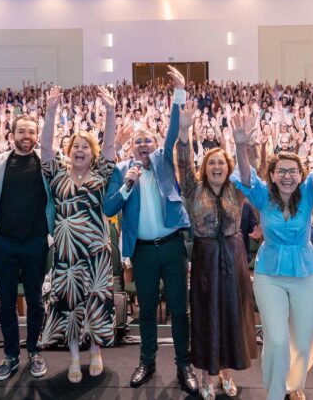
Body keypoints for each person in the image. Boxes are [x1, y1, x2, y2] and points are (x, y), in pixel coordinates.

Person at [103, 67, 197, 394]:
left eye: (148, 140)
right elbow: (109, 208)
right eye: (138, 141)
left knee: (179, 308)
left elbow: (173, 130)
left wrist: (180, 92)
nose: (143, 144)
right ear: (131, 147)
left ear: (156, 146)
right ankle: (147, 361)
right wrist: (127, 186)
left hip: (171, 247)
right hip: (142, 251)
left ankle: (184, 364)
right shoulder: (120, 171)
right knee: (145, 310)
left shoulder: (163, 160)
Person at [232, 112, 313, 400]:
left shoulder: (308, 194)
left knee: (303, 341)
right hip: (269, 274)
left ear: (300, 175)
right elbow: (246, 177)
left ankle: (293, 385)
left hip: (306, 273)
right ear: (273, 175)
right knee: (276, 339)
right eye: (282, 171)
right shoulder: (263, 195)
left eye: (293, 171)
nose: (287, 176)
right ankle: (276, 392)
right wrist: (241, 145)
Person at [175, 101, 258, 399]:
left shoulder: (237, 189)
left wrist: (244, 143)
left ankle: (226, 372)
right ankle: (207, 374)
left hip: (234, 256)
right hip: (206, 258)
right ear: (205, 167)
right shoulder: (193, 189)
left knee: (231, 313)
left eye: (221, 162)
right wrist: (184, 132)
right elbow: (183, 164)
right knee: (206, 314)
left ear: (228, 167)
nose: (217, 166)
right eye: (212, 163)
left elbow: (251, 173)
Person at [37, 86, 119, 383]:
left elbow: (109, 146)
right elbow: (45, 149)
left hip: (96, 251)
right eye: (76, 147)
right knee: (69, 303)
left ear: (92, 153)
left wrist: (110, 111)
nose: (80, 150)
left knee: (96, 299)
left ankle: (96, 351)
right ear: (69, 152)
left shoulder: (101, 174)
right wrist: (50, 112)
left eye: (85, 146)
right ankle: (74, 357)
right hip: (66, 252)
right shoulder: (57, 174)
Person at [0, 111, 54, 382]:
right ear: (12, 135)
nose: (27, 136)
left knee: (35, 301)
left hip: (36, 242)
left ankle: (34, 351)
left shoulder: (46, 163)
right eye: (22, 131)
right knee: (7, 303)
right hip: (4, 243)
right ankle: (11, 355)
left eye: (32, 132)